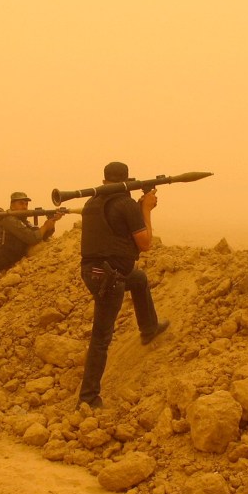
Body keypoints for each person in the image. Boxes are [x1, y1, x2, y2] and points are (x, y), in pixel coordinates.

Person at [77, 161, 170, 408]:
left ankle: (149, 327)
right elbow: (145, 243)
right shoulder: (125, 204)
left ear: (105, 180)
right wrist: (146, 209)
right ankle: (87, 398)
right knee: (101, 337)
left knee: (138, 279)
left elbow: (115, 230)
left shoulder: (92, 203)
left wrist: (137, 209)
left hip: (93, 272)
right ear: (127, 180)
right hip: (110, 278)